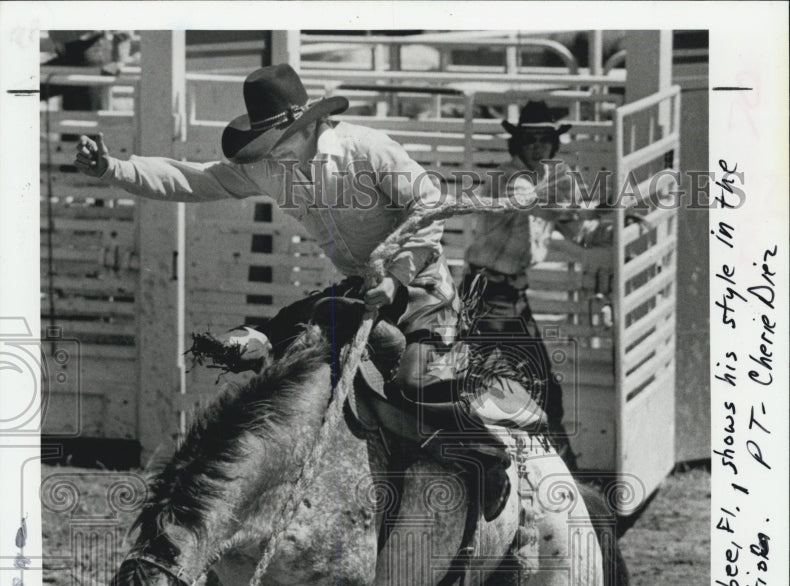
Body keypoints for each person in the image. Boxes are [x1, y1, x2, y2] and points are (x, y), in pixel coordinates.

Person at [75, 63, 513, 518]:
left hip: (422, 286)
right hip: (361, 287)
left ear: (306, 125)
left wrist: (397, 274)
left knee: (416, 381)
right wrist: (113, 168)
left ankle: (487, 456)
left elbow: (429, 208)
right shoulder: (268, 167)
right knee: (293, 357)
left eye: (277, 143)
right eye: (265, 146)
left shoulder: (367, 149)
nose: (272, 155)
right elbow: (194, 178)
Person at [463, 101, 619, 471]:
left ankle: (559, 472)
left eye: (544, 140)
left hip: (512, 296)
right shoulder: (508, 178)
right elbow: (530, 200)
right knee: (498, 384)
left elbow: (581, 233)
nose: (537, 147)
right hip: (486, 295)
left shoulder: (551, 184)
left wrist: (620, 222)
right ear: (517, 145)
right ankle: (556, 473)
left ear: (553, 144)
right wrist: (594, 202)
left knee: (537, 386)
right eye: (530, 140)